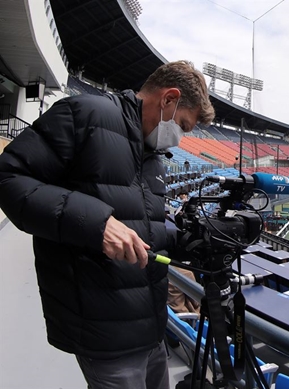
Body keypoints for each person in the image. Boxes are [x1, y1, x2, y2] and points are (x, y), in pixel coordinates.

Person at [0, 60, 215, 388]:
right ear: (168, 99)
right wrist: (96, 224)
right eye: (183, 126)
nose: (180, 139)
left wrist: (185, 240)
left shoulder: (154, 156)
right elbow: (9, 179)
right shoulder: (85, 113)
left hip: (151, 328)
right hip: (104, 334)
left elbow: (141, 226)